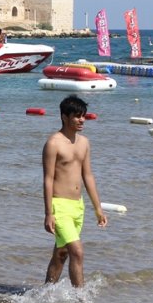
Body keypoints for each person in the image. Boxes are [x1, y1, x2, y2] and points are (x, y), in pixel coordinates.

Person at [42, 95, 108, 288]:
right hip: (59, 206)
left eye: (84, 116)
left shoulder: (84, 143)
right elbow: (47, 179)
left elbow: (88, 176)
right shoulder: (53, 143)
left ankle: (45, 293)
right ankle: (81, 301)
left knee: (61, 253)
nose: (82, 120)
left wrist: (98, 208)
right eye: (77, 116)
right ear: (64, 117)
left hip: (78, 207)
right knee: (77, 252)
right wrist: (48, 213)